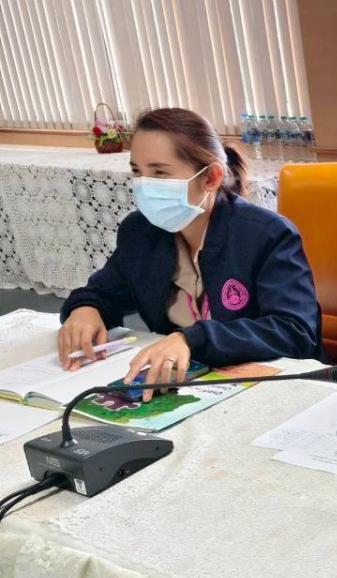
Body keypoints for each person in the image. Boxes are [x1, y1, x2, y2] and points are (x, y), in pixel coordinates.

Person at [58, 108, 322, 400]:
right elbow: (104, 291)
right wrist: (86, 309)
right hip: (186, 383)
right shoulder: (141, 231)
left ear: (210, 177)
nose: (144, 185)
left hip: (267, 386)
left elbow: (294, 331)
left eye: (160, 172)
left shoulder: (266, 234)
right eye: (137, 172)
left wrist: (191, 340)